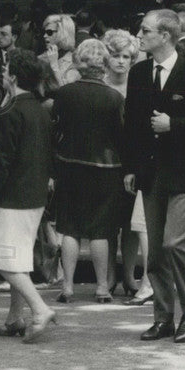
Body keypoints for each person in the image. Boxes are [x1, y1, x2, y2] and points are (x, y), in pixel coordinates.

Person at [122, 9, 185, 344]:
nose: (139, 36)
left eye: (145, 30)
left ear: (165, 35)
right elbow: (132, 124)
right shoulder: (139, 73)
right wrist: (130, 167)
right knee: (155, 253)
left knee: (173, 243)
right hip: (151, 174)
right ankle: (163, 317)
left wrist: (174, 125)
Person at [0, 49, 58, 343]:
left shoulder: (11, 110)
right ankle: (15, 317)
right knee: (18, 257)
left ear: (12, 77)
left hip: (12, 196)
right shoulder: (40, 109)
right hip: (34, 193)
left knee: (1, 258)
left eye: (5, 71)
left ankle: (39, 309)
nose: (2, 75)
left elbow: (0, 160)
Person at [53, 39, 127, 303]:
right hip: (106, 168)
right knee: (101, 230)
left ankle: (68, 287)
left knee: (70, 228)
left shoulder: (64, 94)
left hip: (69, 164)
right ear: (104, 65)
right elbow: (122, 136)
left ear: (77, 63)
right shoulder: (115, 97)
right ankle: (102, 288)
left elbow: (56, 129)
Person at [101, 28, 151, 302]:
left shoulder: (139, 84)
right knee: (108, 223)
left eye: (126, 56)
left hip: (132, 160)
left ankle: (129, 275)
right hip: (106, 160)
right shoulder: (100, 86)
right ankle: (109, 275)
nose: (121, 61)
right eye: (116, 55)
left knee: (132, 224)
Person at [40, 14, 80, 86]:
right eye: (44, 32)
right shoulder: (41, 58)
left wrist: (54, 65)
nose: (44, 36)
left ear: (63, 34)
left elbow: (65, 89)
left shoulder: (75, 60)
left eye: (49, 32)